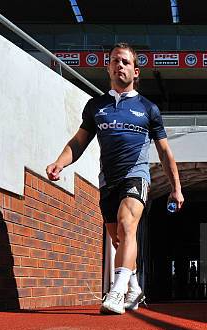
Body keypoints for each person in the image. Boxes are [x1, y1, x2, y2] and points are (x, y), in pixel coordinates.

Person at [46, 42, 184, 314]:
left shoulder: (148, 109)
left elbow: (165, 152)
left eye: (125, 62)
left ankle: (116, 293)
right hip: (108, 181)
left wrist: (176, 189)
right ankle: (133, 286)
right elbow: (79, 142)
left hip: (136, 175)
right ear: (107, 67)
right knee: (118, 239)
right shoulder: (96, 106)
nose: (119, 65)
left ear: (136, 71)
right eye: (114, 61)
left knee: (126, 225)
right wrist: (59, 163)